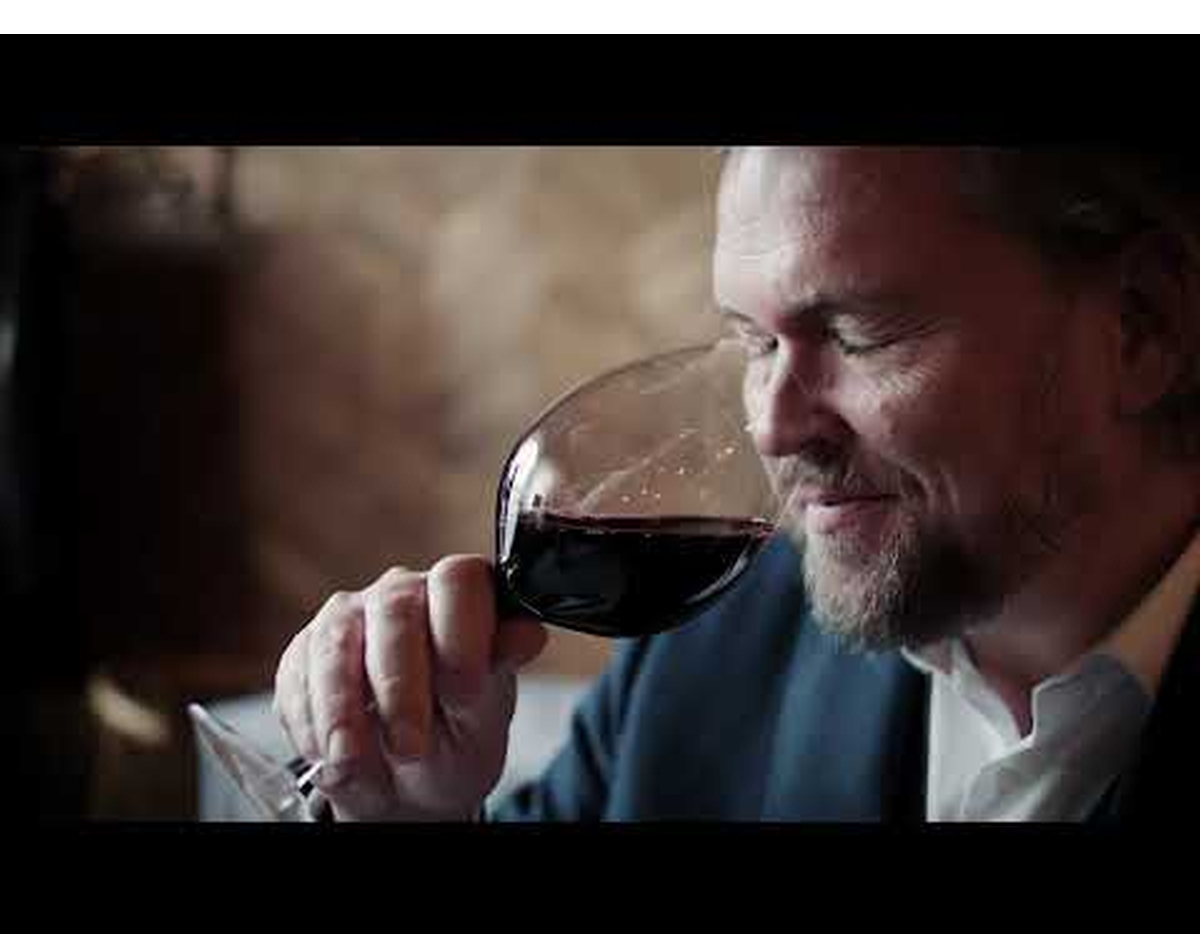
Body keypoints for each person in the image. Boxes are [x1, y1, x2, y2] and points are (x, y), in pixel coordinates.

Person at [273, 147, 1200, 822]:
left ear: (1141, 326)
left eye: (859, 334)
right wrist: (414, 814)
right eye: (755, 343)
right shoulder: (710, 655)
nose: (772, 426)